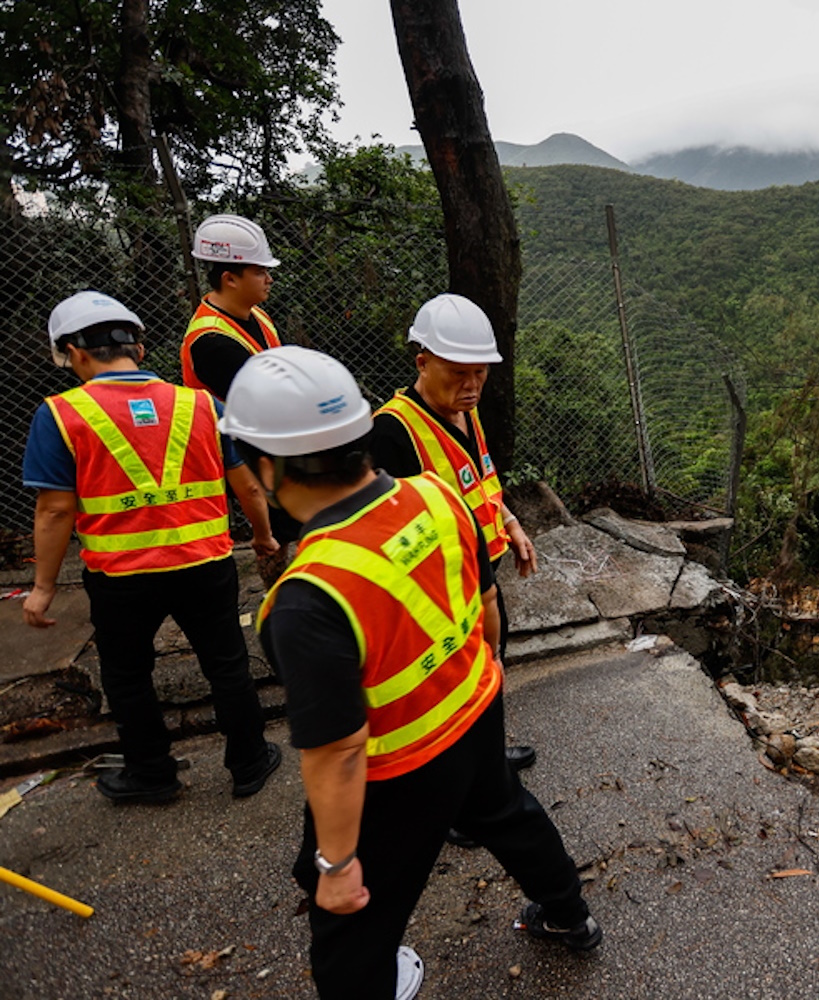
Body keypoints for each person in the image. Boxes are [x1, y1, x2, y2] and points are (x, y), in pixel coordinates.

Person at [222, 346, 601, 1000]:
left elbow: (338, 751)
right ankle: (571, 915)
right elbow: (484, 606)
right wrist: (489, 681)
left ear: (267, 465)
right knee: (509, 813)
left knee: (353, 928)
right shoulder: (435, 494)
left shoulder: (305, 599)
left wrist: (337, 867)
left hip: (398, 770)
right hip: (475, 713)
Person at [22, 291, 282, 804]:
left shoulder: (59, 415)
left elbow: (54, 511)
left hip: (122, 576)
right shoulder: (201, 404)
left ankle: (152, 774)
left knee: (127, 676)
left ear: (75, 352)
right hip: (206, 564)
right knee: (227, 663)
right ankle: (249, 763)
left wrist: (42, 588)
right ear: (138, 349)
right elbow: (247, 485)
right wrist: (264, 535)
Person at [369, 293, 537, 773]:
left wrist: (510, 523)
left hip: (480, 577)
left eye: (480, 373)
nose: (472, 385)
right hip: (438, 596)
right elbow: (388, 533)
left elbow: (482, 480)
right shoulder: (391, 434)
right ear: (423, 363)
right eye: (458, 373)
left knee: (489, 670)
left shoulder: (466, 411)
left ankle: (487, 765)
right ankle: (461, 794)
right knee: (450, 692)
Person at [181, 212, 297, 587]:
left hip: (271, 443)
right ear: (230, 278)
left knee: (293, 526)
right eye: (260, 272)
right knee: (275, 537)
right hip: (244, 453)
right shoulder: (211, 342)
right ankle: (279, 600)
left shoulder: (255, 316)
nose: (269, 279)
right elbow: (268, 400)